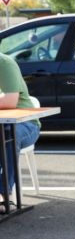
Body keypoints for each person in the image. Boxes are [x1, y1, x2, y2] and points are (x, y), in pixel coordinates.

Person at [0, 53, 41, 193]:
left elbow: (9, 101)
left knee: (8, 135)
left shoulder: (4, 63)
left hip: (26, 124)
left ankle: (3, 193)